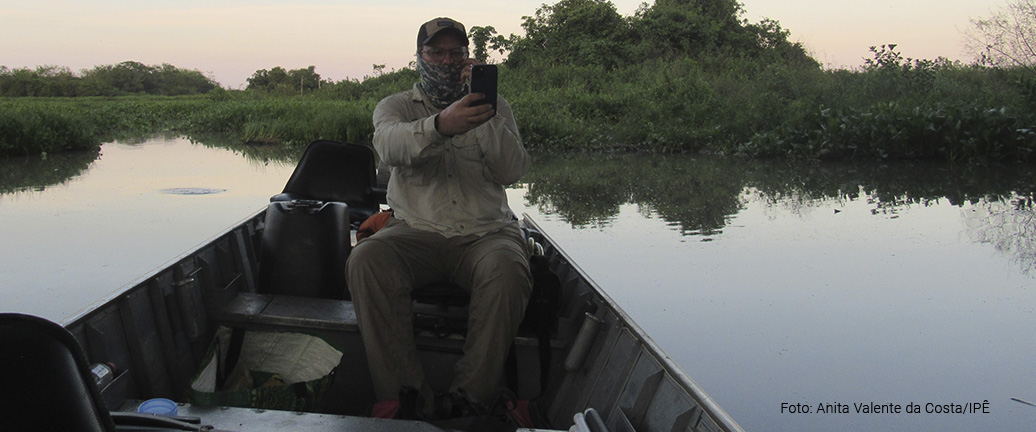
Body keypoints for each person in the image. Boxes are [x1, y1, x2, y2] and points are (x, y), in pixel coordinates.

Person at [346, 17, 532, 419]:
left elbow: (512, 171)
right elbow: (390, 147)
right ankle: (405, 399)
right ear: (420, 57)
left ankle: (472, 398)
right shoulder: (394, 106)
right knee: (366, 260)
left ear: (468, 58)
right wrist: (439, 127)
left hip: (486, 233)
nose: (447, 61)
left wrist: (488, 112)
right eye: (437, 52)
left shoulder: (496, 106)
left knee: (508, 270)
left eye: (456, 53)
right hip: (415, 231)